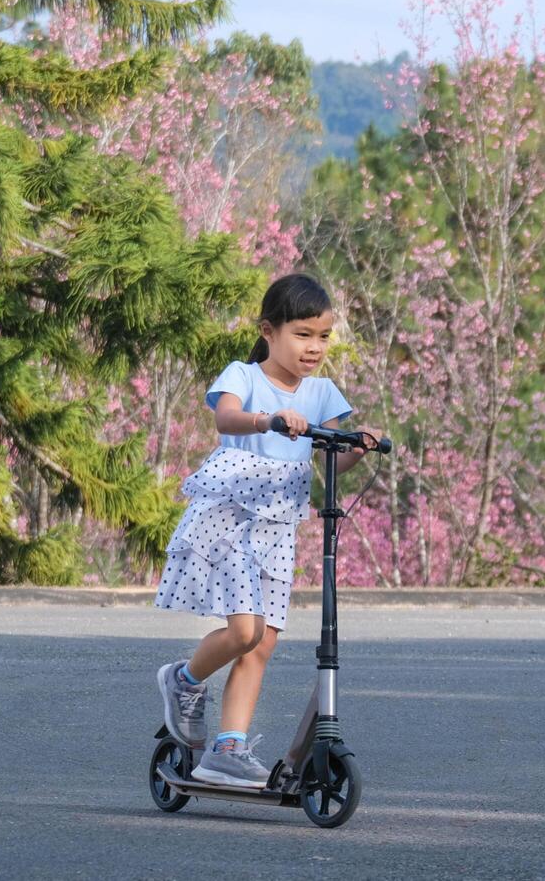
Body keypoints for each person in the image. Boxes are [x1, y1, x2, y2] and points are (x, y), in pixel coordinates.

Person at [154, 273, 381, 788]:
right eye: (303, 334)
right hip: (232, 514)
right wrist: (269, 420)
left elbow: (331, 463)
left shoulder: (323, 391)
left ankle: (228, 748)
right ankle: (184, 680)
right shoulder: (244, 375)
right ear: (269, 330)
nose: (314, 347)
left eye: (323, 336)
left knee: (262, 645)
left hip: (280, 522)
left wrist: (359, 445)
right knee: (243, 630)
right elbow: (226, 419)